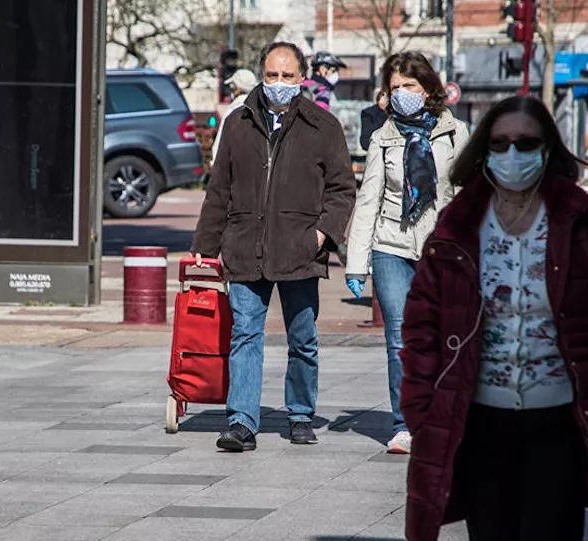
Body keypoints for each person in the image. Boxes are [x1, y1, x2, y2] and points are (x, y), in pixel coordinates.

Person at [399, 95, 588, 541]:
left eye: (527, 144)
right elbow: (422, 329)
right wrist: (421, 408)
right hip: (479, 425)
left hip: (559, 426)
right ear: (484, 151)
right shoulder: (458, 229)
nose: (513, 154)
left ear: (547, 149)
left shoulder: (579, 227)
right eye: (501, 143)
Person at [191, 42, 356, 452]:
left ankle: (300, 414)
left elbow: (342, 190)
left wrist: (321, 235)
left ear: (302, 77)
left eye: (286, 76)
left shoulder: (323, 126)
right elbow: (219, 189)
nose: (278, 84)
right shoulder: (239, 123)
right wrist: (205, 244)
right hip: (246, 244)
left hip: (299, 249)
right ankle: (242, 420)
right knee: (245, 332)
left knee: (302, 337)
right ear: (261, 76)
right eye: (271, 76)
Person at [344, 52, 469, 454]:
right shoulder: (384, 135)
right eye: (395, 87)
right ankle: (406, 424)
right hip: (391, 247)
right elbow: (369, 201)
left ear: (429, 89)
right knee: (400, 337)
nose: (401, 94)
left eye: (409, 86)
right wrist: (356, 263)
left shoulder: (455, 132)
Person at [211, 68, 257, 166]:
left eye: (231, 87)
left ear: (237, 90)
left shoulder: (232, 113)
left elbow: (220, 147)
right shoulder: (263, 110)